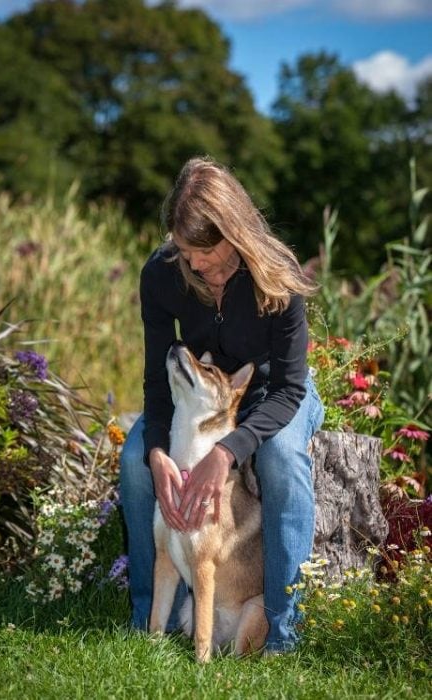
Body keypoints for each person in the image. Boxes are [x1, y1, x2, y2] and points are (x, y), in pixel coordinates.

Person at [120, 157, 324, 654]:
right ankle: (150, 620)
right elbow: (155, 379)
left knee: (280, 461)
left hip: (276, 395)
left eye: (201, 251)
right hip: (198, 395)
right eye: (182, 249)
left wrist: (227, 451)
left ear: (233, 233)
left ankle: (282, 631)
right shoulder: (162, 274)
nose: (191, 263)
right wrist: (155, 452)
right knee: (132, 463)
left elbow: (291, 390)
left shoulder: (277, 275)